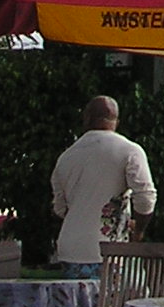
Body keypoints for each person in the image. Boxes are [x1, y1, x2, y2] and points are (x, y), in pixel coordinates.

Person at [50, 95, 157, 276]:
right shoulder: (130, 151)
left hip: (70, 250)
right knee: (114, 296)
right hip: (110, 252)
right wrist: (138, 230)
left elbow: (60, 209)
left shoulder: (65, 157)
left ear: (86, 119)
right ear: (116, 122)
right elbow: (146, 199)